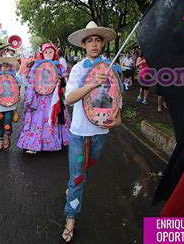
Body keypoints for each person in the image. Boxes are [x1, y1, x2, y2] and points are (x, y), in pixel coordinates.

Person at [61, 22, 122, 242]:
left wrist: (118, 119)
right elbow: (69, 98)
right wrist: (92, 84)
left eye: (98, 40)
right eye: (90, 41)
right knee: (78, 178)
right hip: (79, 132)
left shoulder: (112, 68)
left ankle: (72, 190)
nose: (94, 44)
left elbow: (117, 97)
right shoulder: (78, 68)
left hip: (100, 132)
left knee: (86, 169)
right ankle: (71, 217)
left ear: (102, 43)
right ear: (84, 45)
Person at [17, 43, 71, 154]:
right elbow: (32, 81)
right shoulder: (36, 66)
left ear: (54, 53)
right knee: (37, 120)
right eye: (46, 52)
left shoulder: (58, 66)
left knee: (51, 119)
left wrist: (60, 81)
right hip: (39, 98)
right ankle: (32, 144)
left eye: (50, 52)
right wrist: (30, 96)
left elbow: (65, 83)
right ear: (42, 53)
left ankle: (52, 143)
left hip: (53, 98)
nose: (48, 54)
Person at [0, 57, 20, 151]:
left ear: (9, 67)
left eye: (7, 66)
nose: (5, 68)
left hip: (10, 106)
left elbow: (17, 90)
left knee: (7, 122)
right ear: (0, 67)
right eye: (3, 66)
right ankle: (0, 141)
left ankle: (7, 138)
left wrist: (17, 96)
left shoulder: (15, 79)